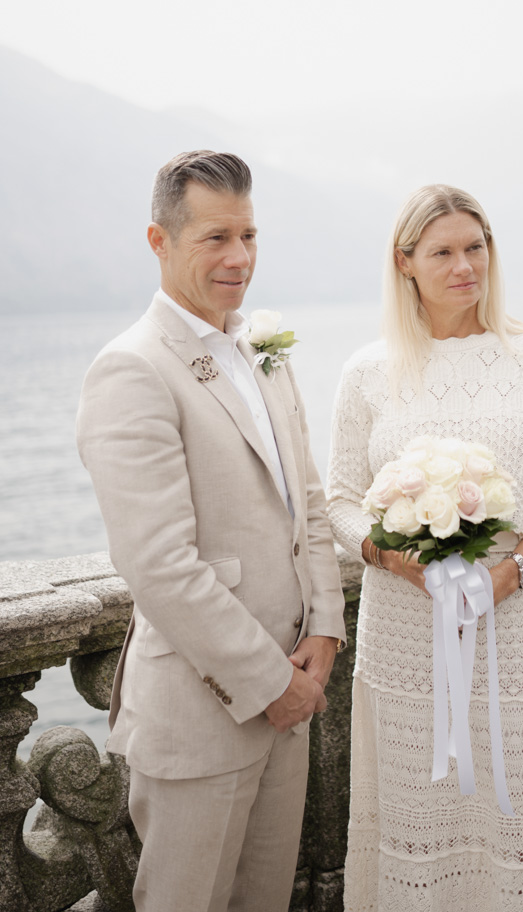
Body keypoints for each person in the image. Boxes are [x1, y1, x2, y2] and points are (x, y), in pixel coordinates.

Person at [77, 150, 346, 912]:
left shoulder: (264, 352)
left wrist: (325, 627)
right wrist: (272, 686)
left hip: (293, 694)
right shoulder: (130, 370)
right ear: (159, 242)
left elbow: (311, 505)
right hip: (204, 716)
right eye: (216, 239)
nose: (240, 259)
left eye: (249, 236)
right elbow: (158, 565)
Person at [327, 184, 523, 911]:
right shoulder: (366, 372)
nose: (463, 265)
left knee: (521, 817)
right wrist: (390, 558)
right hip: (403, 638)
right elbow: (341, 500)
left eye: (474, 247)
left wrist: (516, 567)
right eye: (442, 251)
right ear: (405, 262)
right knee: (418, 821)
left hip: (513, 634)